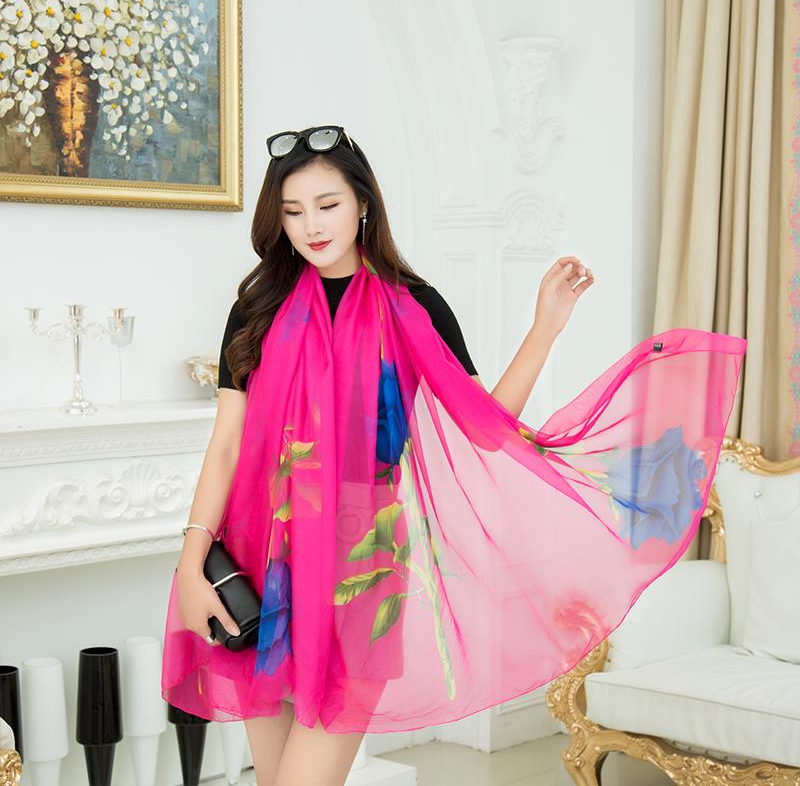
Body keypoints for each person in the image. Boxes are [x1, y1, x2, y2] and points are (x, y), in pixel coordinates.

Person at [165, 125, 595, 785]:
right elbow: (225, 447)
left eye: (327, 204)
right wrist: (191, 565)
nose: (311, 225)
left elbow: (484, 428)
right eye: (293, 210)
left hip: (361, 562)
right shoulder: (258, 309)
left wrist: (545, 328)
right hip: (261, 562)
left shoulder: (413, 307)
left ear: (363, 203)